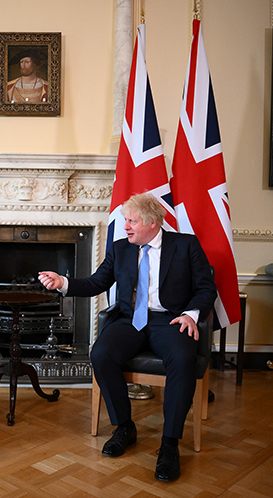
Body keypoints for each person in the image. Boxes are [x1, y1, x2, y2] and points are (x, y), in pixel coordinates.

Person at [38, 193, 216, 482]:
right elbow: (97, 282)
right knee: (100, 354)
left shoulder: (185, 246)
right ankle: (124, 427)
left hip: (170, 320)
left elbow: (206, 288)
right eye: (125, 220)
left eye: (131, 221)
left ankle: (169, 445)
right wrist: (63, 283)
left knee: (183, 358)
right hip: (130, 320)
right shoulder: (121, 249)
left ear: (152, 223)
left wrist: (191, 314)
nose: (126, 227)